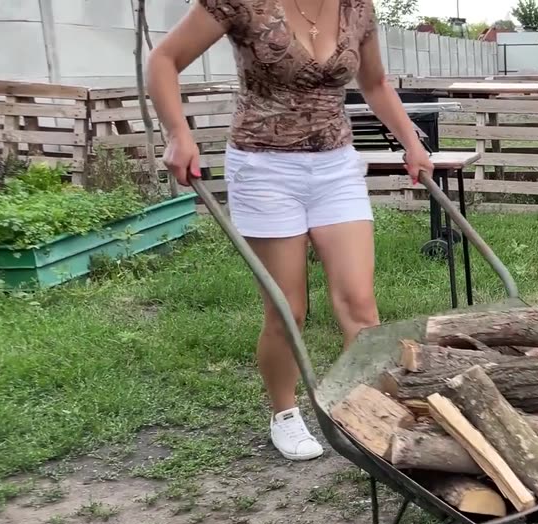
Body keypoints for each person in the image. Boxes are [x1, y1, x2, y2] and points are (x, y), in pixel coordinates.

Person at [148, 0, 432, 461]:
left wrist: (411, 142)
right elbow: (164, 60)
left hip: (335, 165)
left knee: (360, 305)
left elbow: (375, 82)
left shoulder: (358, 7)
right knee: (288, 311)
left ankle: (359, 409)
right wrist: (178, 133)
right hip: (264, 169)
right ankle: (284, 414)